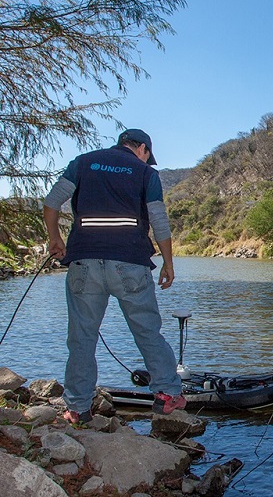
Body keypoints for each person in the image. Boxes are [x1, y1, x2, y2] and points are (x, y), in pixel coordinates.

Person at [43, 128, 186, 423]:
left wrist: (55, 238)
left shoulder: (83, 162)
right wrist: (169, 264)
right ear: (143, 149)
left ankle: (78, 408)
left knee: (82, 338)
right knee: (148, 332)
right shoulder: (146, 173)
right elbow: (159, 221)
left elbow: (52, 201)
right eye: (148, 156)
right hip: (130, 264)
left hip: (83, 262)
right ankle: (168, 396)